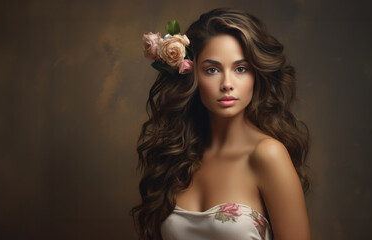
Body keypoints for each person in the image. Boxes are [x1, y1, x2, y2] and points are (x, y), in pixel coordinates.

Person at [131, 7, 312, 240]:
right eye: (212, 69)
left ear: (256, 75)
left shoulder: (268, 155)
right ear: (193, 75)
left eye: (241, 68)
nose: (227, 83)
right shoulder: (176, 155)